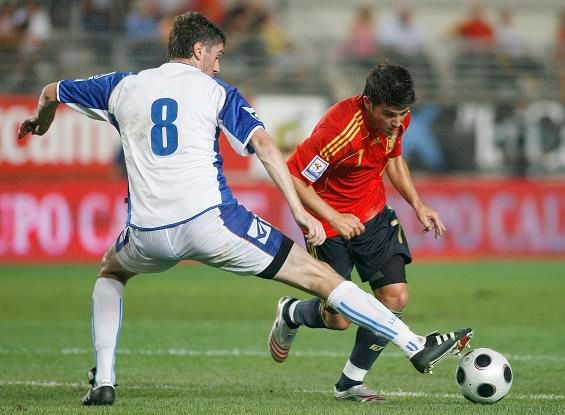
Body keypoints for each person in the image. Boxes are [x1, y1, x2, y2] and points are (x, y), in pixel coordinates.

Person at [17, 12, 472, 407]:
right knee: (323, 281)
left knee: (111, 272)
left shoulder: (122, 85)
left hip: (146, 232)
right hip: (212, 224)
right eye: (216, 56)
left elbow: (51, 91)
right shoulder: (218, 93)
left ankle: (105, 381)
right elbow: (268, 149)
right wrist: (302, 213)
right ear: (198, 51)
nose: (219, 65)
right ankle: (413, 345)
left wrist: (40, 122)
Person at [268, 63, 453, 403]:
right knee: (338, 318)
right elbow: (294, 176)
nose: (397, 121)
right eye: (389, 114)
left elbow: (393, 160)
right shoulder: (339, 129)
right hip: (328, 222)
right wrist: (334, 217)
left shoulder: (398, 119)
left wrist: (418, 204)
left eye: (403, 113)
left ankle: (350, 383)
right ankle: (291, 312)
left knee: (395, 296)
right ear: (368, 103)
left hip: (374, 214)